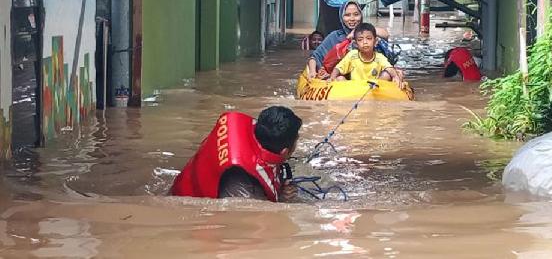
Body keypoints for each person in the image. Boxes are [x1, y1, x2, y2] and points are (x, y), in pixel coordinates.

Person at [170, 106, 302, 202]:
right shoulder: (246, 191)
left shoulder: (249, 131)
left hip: (183, 184)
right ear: (284, 152)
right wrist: (284, 200)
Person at [307, 1, 393, 79]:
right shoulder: (335, 37)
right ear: (341, 17)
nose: (352, 19)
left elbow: (385, 34)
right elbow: (315, 57)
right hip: (342, 79)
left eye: (356, 14)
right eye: (347, 15)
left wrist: (356, 31)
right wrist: (312, 72)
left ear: (361, 15)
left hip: (372, 78)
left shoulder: (369, 33)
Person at [330, 22, 402, 87]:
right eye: (360, 39)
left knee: (387, 75)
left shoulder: (379, 57)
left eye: (369, 38)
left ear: (375, 41)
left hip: (373, 88)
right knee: (340, 78)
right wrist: (332, 78)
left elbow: (388, 67)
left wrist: (395, 76)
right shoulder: (352, 55)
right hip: (354, 88)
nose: (365, 42)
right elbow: (338, 68)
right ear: (356, 44)